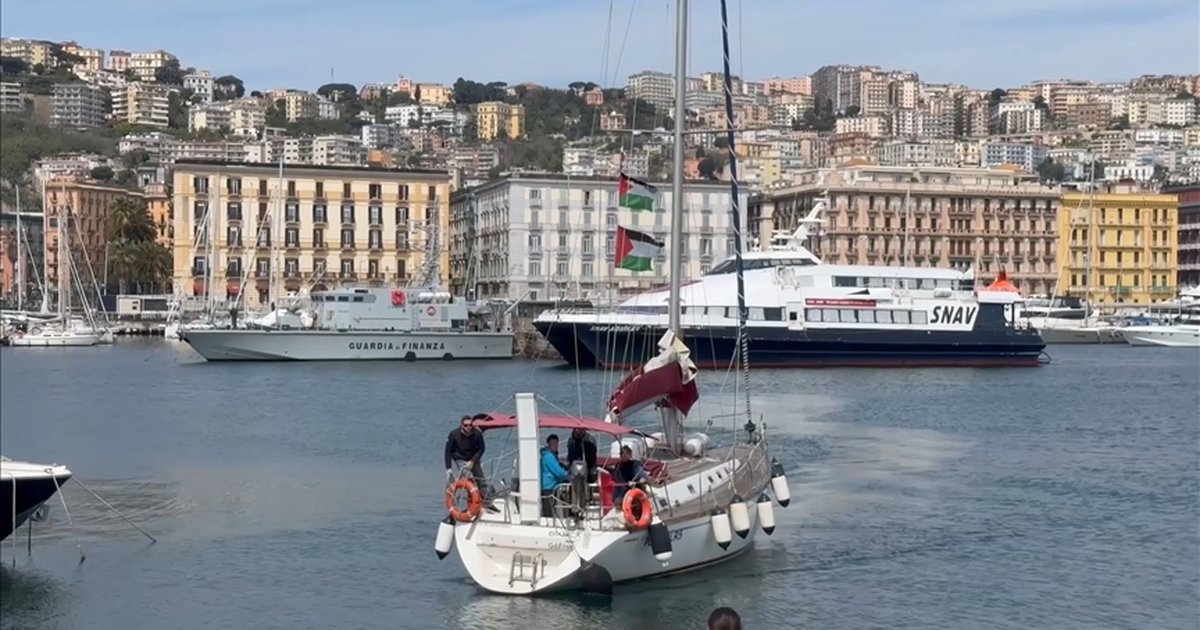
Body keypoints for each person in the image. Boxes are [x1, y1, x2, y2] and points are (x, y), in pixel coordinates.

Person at [444, 415, 486, 493]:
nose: (468, 427)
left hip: (473, 458)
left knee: (481, 479)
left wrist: (473, 461)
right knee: (469, 477)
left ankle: (487, 499)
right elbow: (448, 451)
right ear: (461, 425)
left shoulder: (477, 434)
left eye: (470, 425)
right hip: (460, 457)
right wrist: (448, 468)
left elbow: (482, 448)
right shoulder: (453, 434)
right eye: (466, 425)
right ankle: (472, 498)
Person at [540, 434, 570, 516]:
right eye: (553, 443)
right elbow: (559, 473)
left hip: (552, 486)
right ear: (548, 444)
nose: (555, 446)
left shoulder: (553, 455)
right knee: (548, 512)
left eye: (556, 443)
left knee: (551, 508)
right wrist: (569, 475)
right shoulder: (548, 457)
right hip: (548, 487)